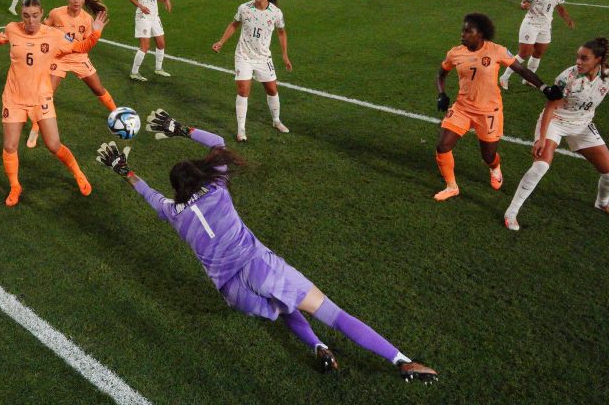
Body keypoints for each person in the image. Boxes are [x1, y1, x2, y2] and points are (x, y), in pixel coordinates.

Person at [95, 109, 438, 382]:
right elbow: (217, 140)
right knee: (333, 314)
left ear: (176, 190)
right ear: (201, 176)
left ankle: (318, 346)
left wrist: (124, 169)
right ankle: (401, 360)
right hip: (260, 268)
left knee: (287, 309)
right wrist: (179, 129)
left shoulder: (173, 213)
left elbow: (146, 193)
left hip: (232, 293)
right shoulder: (218, 190)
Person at [0, 0, 107, 205]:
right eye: (25, 16)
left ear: (42, 13)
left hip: (41, 98)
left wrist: (96, 31)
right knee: (10, 145)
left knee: (53, 145)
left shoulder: (54, 35)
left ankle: (78, 173)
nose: (30, 21)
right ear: (21, 15)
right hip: (14, 98)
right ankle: (15, 186)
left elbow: (81, 47)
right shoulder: (12, 29)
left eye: (34, 16)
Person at [504, 38, 609, 231]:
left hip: (582, 125)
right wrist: (542, 138)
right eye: (578, 57)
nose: (578, 61)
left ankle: (602, 202)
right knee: (540, 166)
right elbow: (550, 107)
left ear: (598, 59)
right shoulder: (568, 77)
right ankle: (511, 212)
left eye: (584, 58)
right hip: (556, 121)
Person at [435, 13, 563, 201]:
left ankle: (495, 168)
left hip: (489, 112)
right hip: (462, 108)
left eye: (468, 31)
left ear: (481, 34)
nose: (462, 34)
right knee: (442, 146)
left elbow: (521, 70)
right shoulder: (455, 53)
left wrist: (544, 87)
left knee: (488, 155)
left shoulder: (496, 50)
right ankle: (451, 186)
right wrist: (442, 94)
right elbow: (441, 74)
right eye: (463, 30)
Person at [26, 0, 117, 149]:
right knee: (47, 94)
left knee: (98, 89)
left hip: (78, 57)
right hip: (58, 58)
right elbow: (44, 28)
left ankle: (117, 113)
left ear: (83, 0)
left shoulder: (87, 19)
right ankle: (36, 126)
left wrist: (97, 32)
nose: (76, 1)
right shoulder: (56, 13)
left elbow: (87, 45)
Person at [212, 0, 291, 142]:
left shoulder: (276, 12)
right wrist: (221, 41)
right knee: (243, 91)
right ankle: (241, 131)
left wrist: (284, 55)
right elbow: (234, 24)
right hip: (244, 56)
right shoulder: (244, 8)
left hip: (263, 58)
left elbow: (282, 33)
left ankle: (276, 121)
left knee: (272, 90)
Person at [499, 0, 575, 90]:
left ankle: (528, 79)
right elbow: (525, 2)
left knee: (538, 53)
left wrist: (568, 19)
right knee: (524, 54)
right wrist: (524, 5)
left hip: (545, 26)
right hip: (531, 24)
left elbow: (560, 7)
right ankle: (504, 77)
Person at [129, 0, 173, 81]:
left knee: (161, 43)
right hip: (143, 17)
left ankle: (158, 69)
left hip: (155, 16)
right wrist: (141, 6)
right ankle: (134, 72)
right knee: (145, 46)